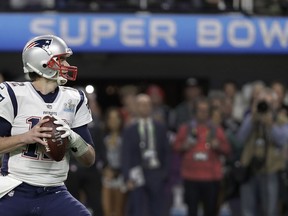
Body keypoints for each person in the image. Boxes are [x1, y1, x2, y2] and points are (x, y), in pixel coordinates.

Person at [0, 35, 95, 216]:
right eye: (61, 60)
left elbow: (89, 160)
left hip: (55, 191)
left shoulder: (75, 99)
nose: (66, 66)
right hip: (16, 188)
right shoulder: (12, 93)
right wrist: (26, 138)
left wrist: (74, 139)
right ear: (42, 62)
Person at [122, 94, 171, 216]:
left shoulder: (160, 127)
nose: (144, 108)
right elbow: (125, 154)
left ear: (151, 107)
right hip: (137, 172)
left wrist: (164, 173)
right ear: (136, 107)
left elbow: (167, 152)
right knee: (137, 209)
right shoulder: (129, 129)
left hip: (156, 172)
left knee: (158, 209)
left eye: (147, 104)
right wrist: (127, 176)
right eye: (141, 105)